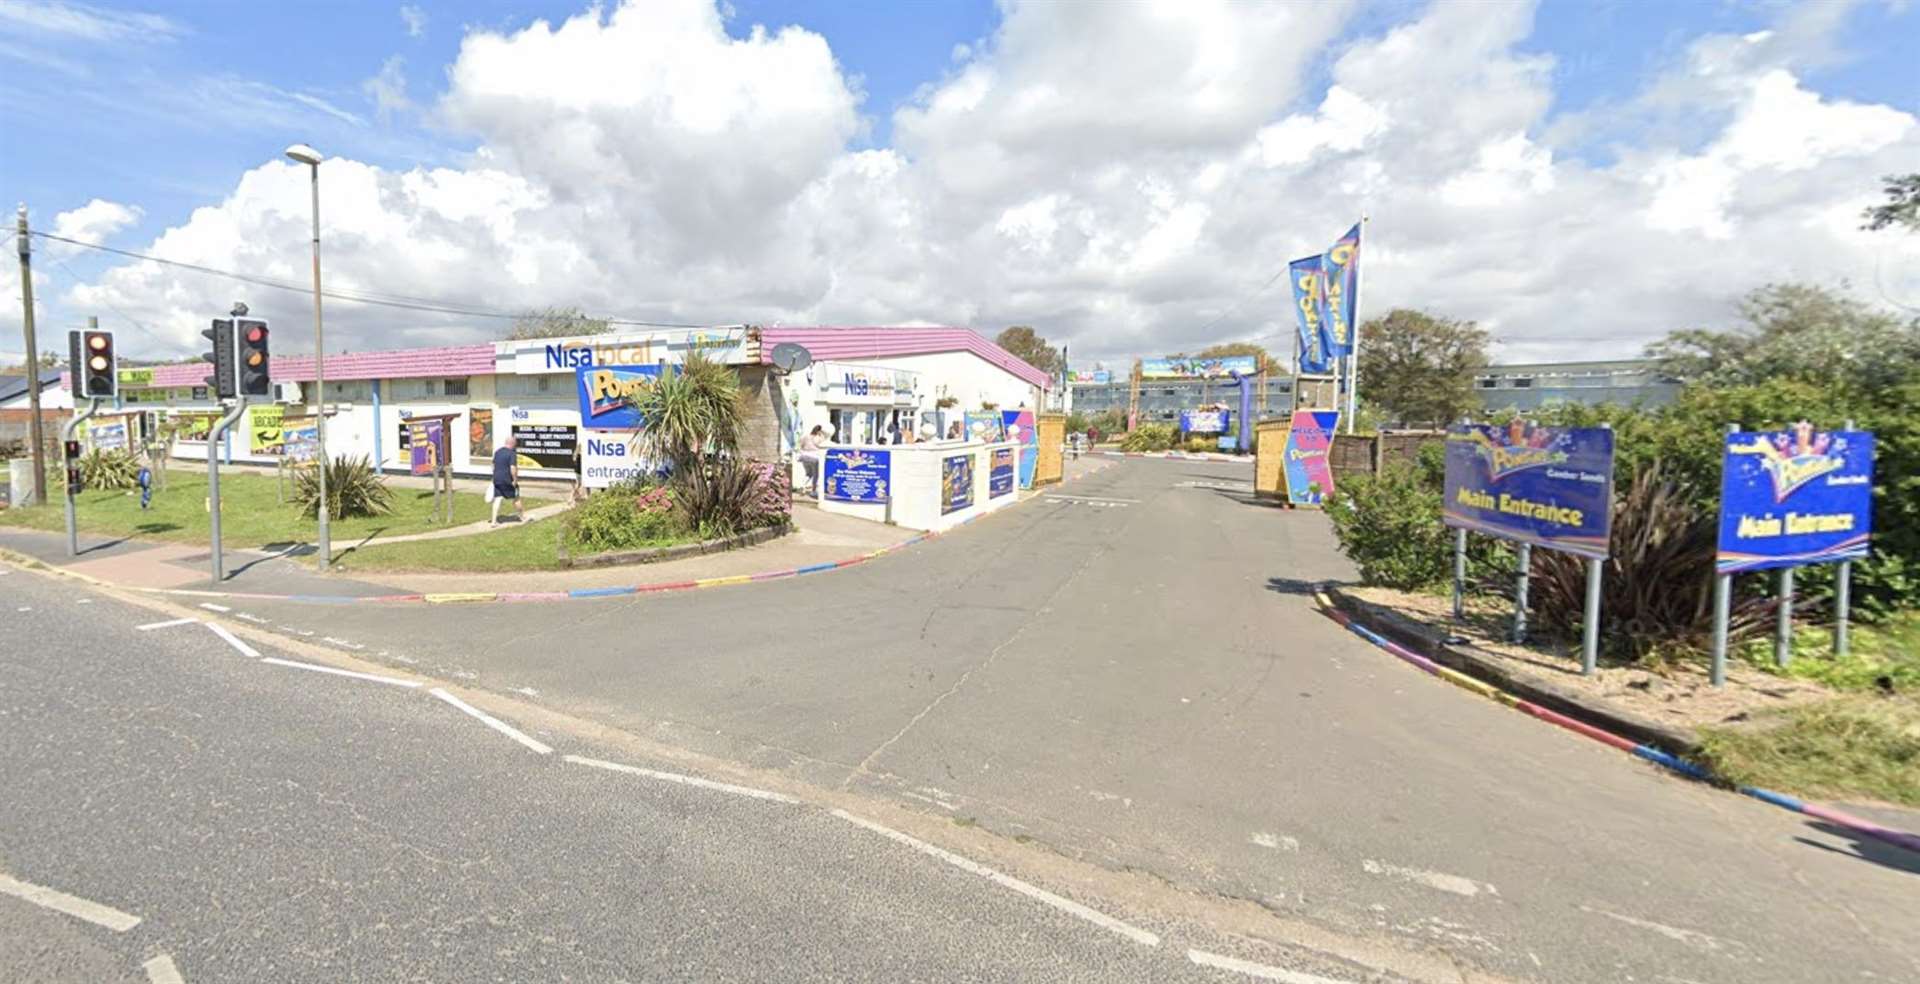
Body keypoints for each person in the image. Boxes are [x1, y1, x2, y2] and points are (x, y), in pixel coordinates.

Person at [490, 436, 525, 526]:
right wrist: (515, 480)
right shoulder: (511, 454)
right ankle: (522, 517)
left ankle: (493, 521)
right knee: (516, 497)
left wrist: (495, 476)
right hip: (507, 480)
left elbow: (493, 465)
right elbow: (512, 468)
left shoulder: (497, 452)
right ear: (513, 444)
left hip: (497, 479)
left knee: (497, 499)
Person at [798, 424, 829, 496]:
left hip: (804, 457)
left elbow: (800, 445)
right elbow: (822, 445)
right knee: (816, 475)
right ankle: (813, 491)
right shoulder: (818, 438)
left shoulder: (806, 436)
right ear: (819, 431)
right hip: (814, 458)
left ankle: (803, 486)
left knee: (808, 474)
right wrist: (822, 435)